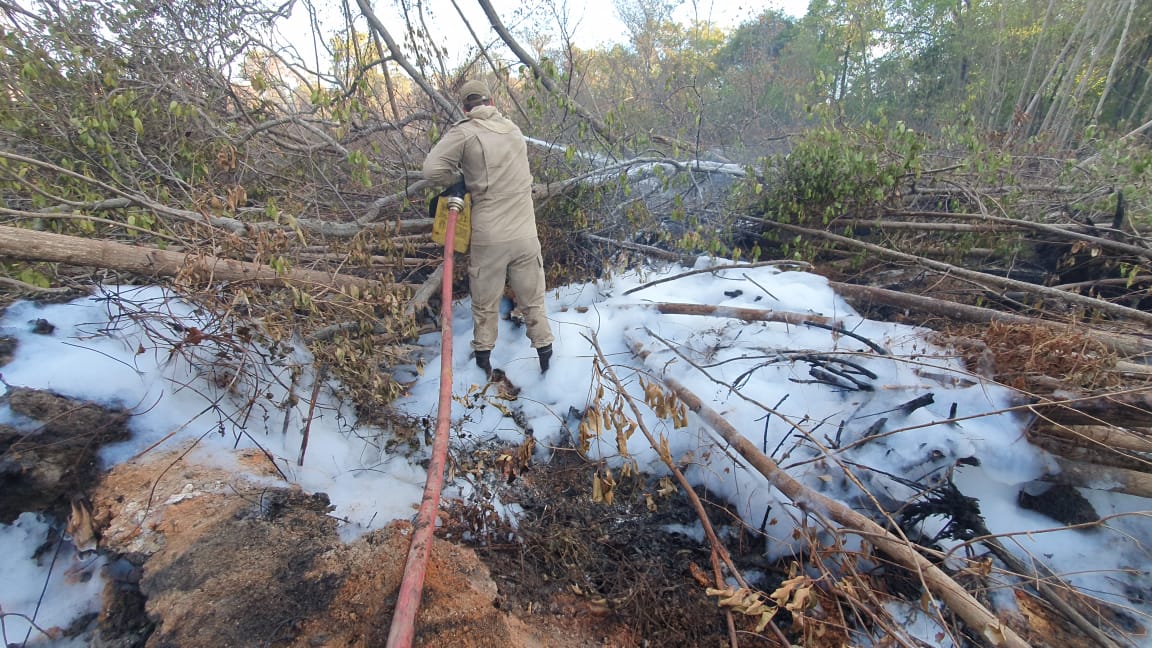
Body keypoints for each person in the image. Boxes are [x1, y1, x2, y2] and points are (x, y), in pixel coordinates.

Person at [422, 79, 554, 376]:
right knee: (533, 302)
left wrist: (461, 182)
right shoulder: (513, 129)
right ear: (491, 103)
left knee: (485, 306)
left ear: (465, 107)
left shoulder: (464, 131)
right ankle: (548, 366)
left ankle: (482, 369)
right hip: (525, 233)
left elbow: (431, 171)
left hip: (490, 236)